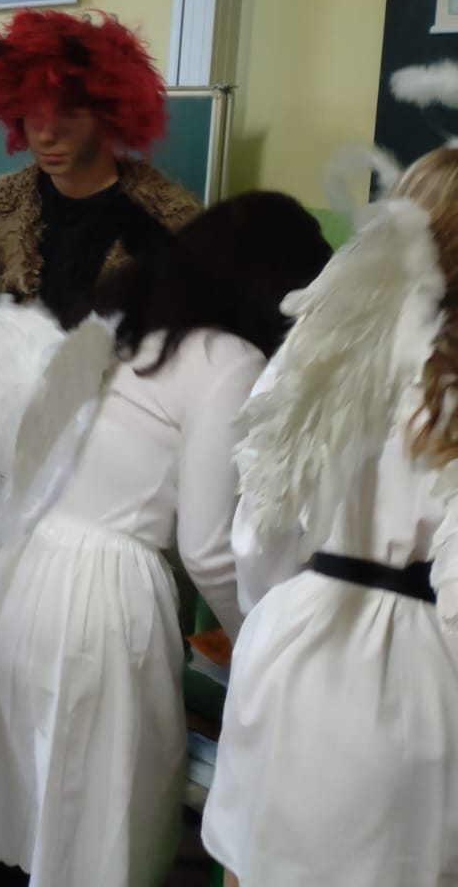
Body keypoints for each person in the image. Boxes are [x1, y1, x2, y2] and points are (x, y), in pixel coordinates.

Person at [0, 192, 331, 887]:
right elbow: (208, 547)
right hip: (94, 596)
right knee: (93, 814)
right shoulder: (227, 360)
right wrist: (264, 645)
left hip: (11, 563)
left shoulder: (118, 320)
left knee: (27, 792)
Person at [203, 147, 458, 886]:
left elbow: (260, 525)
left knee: (255, 857)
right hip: (416, 682)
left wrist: (276, 615)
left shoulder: (317, 347)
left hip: (292, 646)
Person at [0, 10, 200, 327]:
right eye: (33, 111)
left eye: (69, 112)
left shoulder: (172, 224)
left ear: (109, 115)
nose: (47, 133)